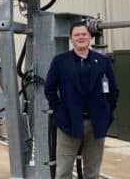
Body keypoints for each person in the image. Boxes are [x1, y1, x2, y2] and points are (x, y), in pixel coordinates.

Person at [44, 22, 118, 179]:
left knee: (92, 172)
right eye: (77, 35)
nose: (81, 37)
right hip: (68, 122)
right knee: (63, 171)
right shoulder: (60, 61)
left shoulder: (102, 61)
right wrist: (59, 111)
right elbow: (50, 88)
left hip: (96, 124)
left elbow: (113, 90)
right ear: (71, 39)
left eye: (84, 34)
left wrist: (107, 112)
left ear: (90, 37)